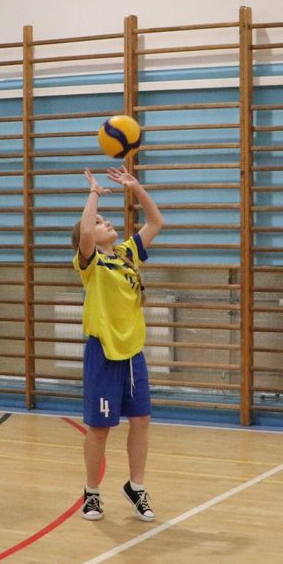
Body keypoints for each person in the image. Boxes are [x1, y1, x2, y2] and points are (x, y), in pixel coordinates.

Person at [73, 167, 164, 522]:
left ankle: (136, 487)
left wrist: (136, 187)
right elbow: (84, 232)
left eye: (105, 220)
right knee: (100, 429)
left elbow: (156, 222)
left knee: (141, 420)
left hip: (132, 353)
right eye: (99, 223)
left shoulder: (127, 253)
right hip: (103, 353)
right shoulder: (90, 263)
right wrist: (94, 193)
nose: (105, 223)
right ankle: (92, 493)